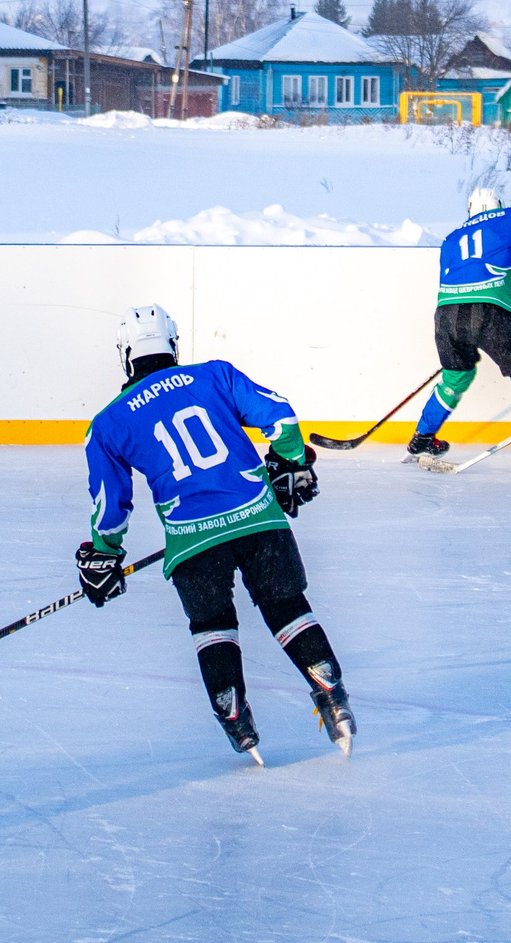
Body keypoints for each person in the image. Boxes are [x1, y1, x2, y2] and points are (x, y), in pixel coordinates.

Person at [78, 304, 353, 762]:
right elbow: (281, 417)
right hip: (257, 517)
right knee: (286, 605)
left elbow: (111, 503)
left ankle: (235, 719)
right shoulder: (214, 375)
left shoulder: (108, 423)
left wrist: (104, 551)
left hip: (192, 538)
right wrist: (289, 462)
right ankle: (330, 690)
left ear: (126, 354)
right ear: (172, 345)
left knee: (212, 625)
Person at [406, 186, 511, 474]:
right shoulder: (509, 219)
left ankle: (421, 439)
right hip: (491, 311)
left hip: (447, 316)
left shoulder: (450, 240)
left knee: (455, 378)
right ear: (499, 205)